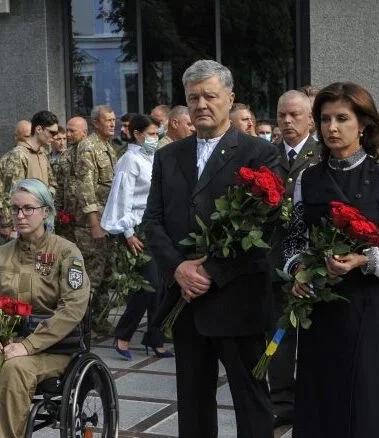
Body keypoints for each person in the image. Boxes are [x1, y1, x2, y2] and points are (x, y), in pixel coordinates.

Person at [143, 59, 278, 438]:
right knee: (193, 402)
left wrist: (210, 272)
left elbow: (265, 226)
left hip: (238, 300)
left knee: (251, 402)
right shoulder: (169, 155)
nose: (201, 104)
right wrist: (178, 270)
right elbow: (152, 221)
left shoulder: (259, 153)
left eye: (210, 96)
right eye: (193, 97)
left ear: (230, 99)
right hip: (185, 302)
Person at [281, 82, 379, 437]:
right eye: (325, 119)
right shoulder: (307, 179)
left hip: (368, 306)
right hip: (322, 310)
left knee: (371, 399)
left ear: (363, 125)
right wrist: (298, 270)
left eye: (342, 118)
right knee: (323, 397)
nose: (332, 127)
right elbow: (294, 240)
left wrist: (364, 260)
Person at [0, 178, 90, 438]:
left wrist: (28, 345)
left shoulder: (67, 253)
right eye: (15, 209)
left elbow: (72, 309)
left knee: (15, 368)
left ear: (45, 211)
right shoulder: (1, 255)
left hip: (53, 348)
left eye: (28, 208)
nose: (20, 215)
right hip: (9, 344)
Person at [268, 89, 323, 429]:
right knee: (278, 335)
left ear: (310, 119)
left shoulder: (324, 154)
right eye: (281, 116)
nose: (287, 122)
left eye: (294, 115)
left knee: (317, 335)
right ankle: (281, 399)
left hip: (314, 262)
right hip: (275, 263)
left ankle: (315, 397)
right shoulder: (266, 154)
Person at [100, 114, 173, 360]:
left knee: (159, 285)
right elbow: (123, 198)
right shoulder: (129, 160)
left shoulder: (152, 157)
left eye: (157, 134)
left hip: (154, 226)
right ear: (137, 134)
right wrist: (128, 232)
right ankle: (123, 335)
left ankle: (155, 338)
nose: (154, 139)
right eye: (150, 134)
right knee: (147, 285)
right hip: (135, 229)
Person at [75, 105, 118, 334]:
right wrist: (94, 223)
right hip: (92, 224)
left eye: (114, 120)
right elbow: (86, 188)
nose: (112, 124)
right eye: (107, 120)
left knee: (106, 274)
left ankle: (100, 318)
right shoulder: (88, 147)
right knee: (91, 275)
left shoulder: (108, 147)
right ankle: (82, 324)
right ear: (96, 123)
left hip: (108, 221)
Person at [0, 113, 58, 239]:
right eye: (51, 133)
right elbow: (11, 193)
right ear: (39, 129)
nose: (54, 137)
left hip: (43, 219)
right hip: (23, 222)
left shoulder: (43, 153)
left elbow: (52, 183)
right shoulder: (19, 155)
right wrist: (9, 225)